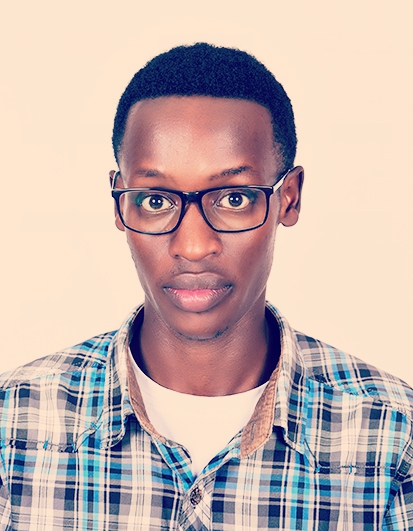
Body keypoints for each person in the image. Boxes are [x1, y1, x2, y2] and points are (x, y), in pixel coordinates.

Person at [0, 42, 412, 531]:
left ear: (289, 198)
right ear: (119, 204)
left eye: (234, 198)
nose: (193, 246)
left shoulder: (392, 439)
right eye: (155, 200)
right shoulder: (13, 425)